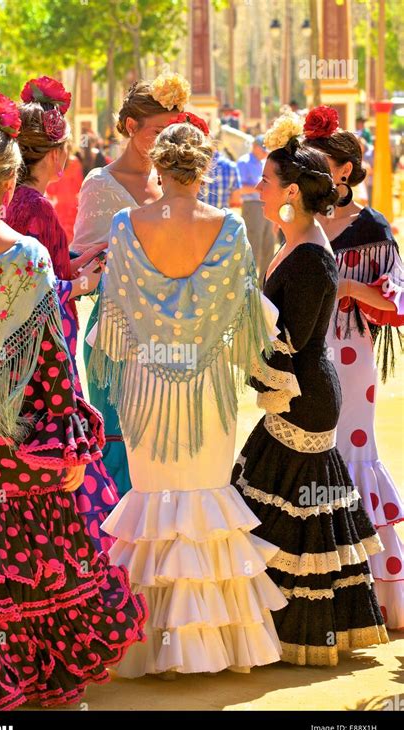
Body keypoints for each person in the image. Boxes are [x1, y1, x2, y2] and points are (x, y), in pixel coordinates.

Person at [0, 91, 147, 709]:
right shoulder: (24, 258)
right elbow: (53, 364)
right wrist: (70, 439)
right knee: (36, 564)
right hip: (18, 440)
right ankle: (36, 680)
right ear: (6, 184)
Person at [89, 116, 302, 679]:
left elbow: (110, 313)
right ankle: (213, 644)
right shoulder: (229, 228)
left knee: (153, 500)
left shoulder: (124, 224)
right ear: (204, 171)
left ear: (158, 168)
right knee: (204, 501)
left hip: (147, 382)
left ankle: (146, 642)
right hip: (206, 386)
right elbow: (248, 317)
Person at [231, 112, 389, 666]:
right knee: (292, 510)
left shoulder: (310, 254)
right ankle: (289, 631)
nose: (258, 186)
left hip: (304, 394)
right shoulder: (299, 240)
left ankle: (294, 636)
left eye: (267, 181)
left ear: (291, 191)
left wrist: (241, 338)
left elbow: (290, 342)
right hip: (304, 391)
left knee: (294, 513)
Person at [6, 76, 118, 553]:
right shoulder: (38, 209)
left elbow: (51, 266)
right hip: (48, 345)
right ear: (54, 155)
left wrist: (90, 251)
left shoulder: (15, 202)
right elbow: (46, 289)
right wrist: (87, 282)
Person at [304, 106, 404, 630]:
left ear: (344, 169)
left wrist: (345, 288)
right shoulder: (300, 218)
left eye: (318, 160)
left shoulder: (371, 225)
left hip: (351, 354)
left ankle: (377, 587)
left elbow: (395, 301)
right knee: (314, 451)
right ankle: (322, 588)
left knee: (354, 450)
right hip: (306, 353)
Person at [71, 72, 191, 498]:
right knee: (120, 449)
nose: (167, 141)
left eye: (176, 131)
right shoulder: (100, 186)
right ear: (130, 127)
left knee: (167, 447)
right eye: (159, 131)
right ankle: (117, 555)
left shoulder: (179, 182)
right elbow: (82, 271)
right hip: (116, 339)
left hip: (172, 336)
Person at [237, 135, 276, 286]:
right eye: (262, 149)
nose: (265, 152)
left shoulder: (264, 162)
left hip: (266, 204)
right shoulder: (244, 161)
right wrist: (262, 187)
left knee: (269, 243)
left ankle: (263, 282)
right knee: (254, 243)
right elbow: (240, 188)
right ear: (254, 146)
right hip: (252, 205)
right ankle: (249, 283)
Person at [46, 150, 84, 243]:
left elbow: (50, 190)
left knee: (60, 239)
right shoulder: (74, 162)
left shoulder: (54, 164)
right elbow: (79, 186)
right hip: (73, 208)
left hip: (59, 208)